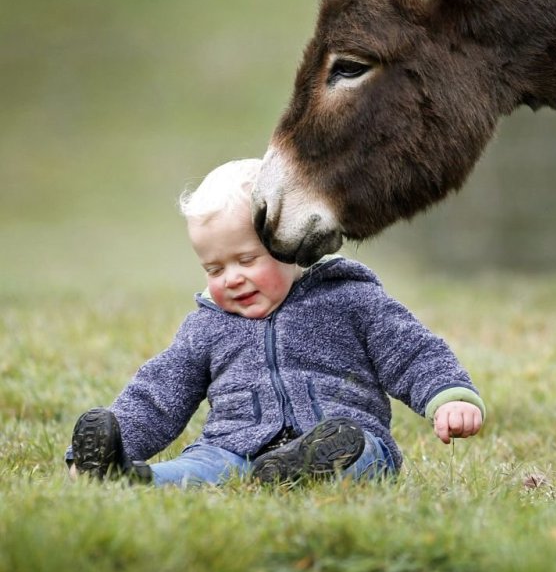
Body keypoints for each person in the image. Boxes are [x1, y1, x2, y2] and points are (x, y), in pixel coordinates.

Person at [66, 158, 485, 486]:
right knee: (197, 469)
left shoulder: (349, 298)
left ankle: (306, 467)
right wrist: (122, 435)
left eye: (247, 259)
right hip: (233, 446)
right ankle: (120, 474)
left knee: (359, 454)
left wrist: (449, 397)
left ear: (289, 243)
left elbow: (410, 350)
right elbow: (158, 393)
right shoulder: (207, 328)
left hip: (344, 435)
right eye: (213, 269)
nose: (231, 277)